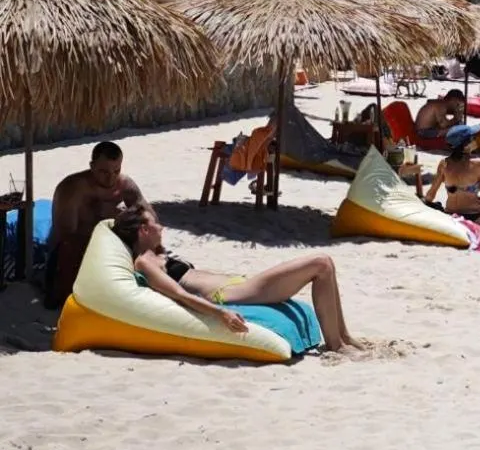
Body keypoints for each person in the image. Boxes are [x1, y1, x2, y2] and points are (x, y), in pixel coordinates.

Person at [112, 204, 361, 352]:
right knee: (320, 263)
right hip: (231, 295)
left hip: (239, 285)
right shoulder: (145, 262)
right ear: (143, 230)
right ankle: (336, 347)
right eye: (155, 224)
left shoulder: (157, 253)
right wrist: (222, 313)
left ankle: (345, 338)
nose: (162, 227)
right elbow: (179, 295)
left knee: (325, 264)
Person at [45, 141, 153, 308]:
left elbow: (150, 218)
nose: (110, 178)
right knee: (70, 249)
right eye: (103, 171)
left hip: (108, 249)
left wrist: (128, 218)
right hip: (74, 252)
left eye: (116, 171)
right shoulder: (73, 189)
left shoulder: (124, 184)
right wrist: (106, 222)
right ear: (92, 166)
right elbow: (66, 234)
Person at [425, 125, 480, 229]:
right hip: (473, 219)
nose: (476, 139)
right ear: (466, 145)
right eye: (473, 138)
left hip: (451, 216)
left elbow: (430, 195)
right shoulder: (479, 165)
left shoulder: (444, 164)